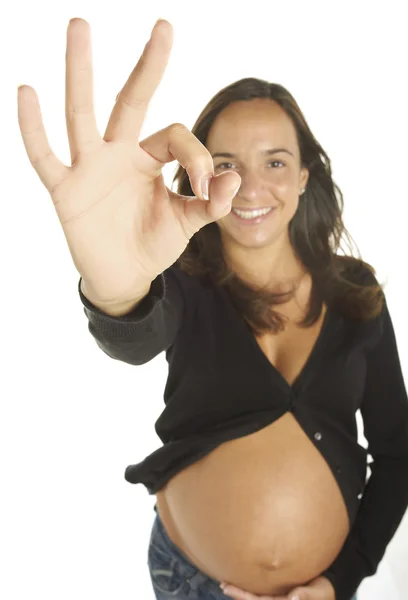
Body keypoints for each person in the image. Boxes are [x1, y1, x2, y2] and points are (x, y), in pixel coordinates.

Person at [17, 17, 408, 600]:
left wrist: (339, 582)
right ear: (199, 177)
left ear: (304, 176)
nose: (250, 188)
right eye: (226, 164)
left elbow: (399, 455)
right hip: (191, 581)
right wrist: (115, 290)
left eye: (275, 162)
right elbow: (137, 333)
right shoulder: (181, 283)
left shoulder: (357, 296)